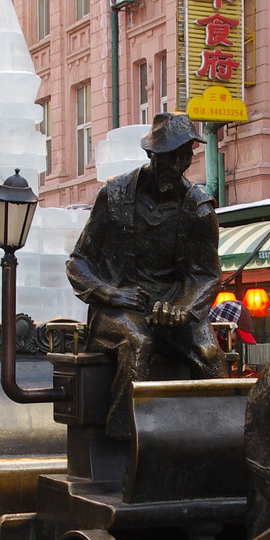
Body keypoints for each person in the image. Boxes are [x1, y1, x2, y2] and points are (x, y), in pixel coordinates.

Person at [66, 112, 222, 437]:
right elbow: (78, 263)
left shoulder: (199, 208)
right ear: (152, 154)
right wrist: (112, 294)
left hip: (174, 312)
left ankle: (218, 441)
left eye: (185, 157)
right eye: (170, 157)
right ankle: (123, 440)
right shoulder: (114, 196)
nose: (178, 166)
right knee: (138, 342)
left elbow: (206, 275)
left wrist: (184, 308)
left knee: (210, 353)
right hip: (119, 310)